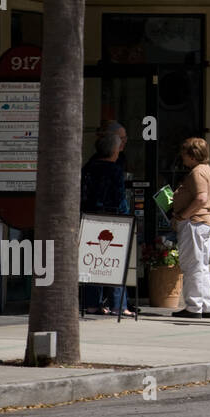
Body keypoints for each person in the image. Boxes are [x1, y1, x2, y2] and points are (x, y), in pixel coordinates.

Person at [80, 131, 132, 315]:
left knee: (92, 262)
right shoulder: (115, 170)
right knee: (115, 262)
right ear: (113, 150)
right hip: (112, 220)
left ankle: (92, 303)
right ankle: (119, 305)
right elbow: (119, 199)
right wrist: (126, 216)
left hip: (89, 217)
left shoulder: (88, 168)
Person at [170, 137, 210, 319]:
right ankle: (207, 305)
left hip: (195, 223)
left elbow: (201, 198)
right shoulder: (207, 170)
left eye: (184, 154)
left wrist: (183, 215)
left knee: (192, 265)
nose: (182, 158)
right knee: (202, 265)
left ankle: (193, 306)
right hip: (203, 223)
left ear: (192, 155)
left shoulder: (197, 172)